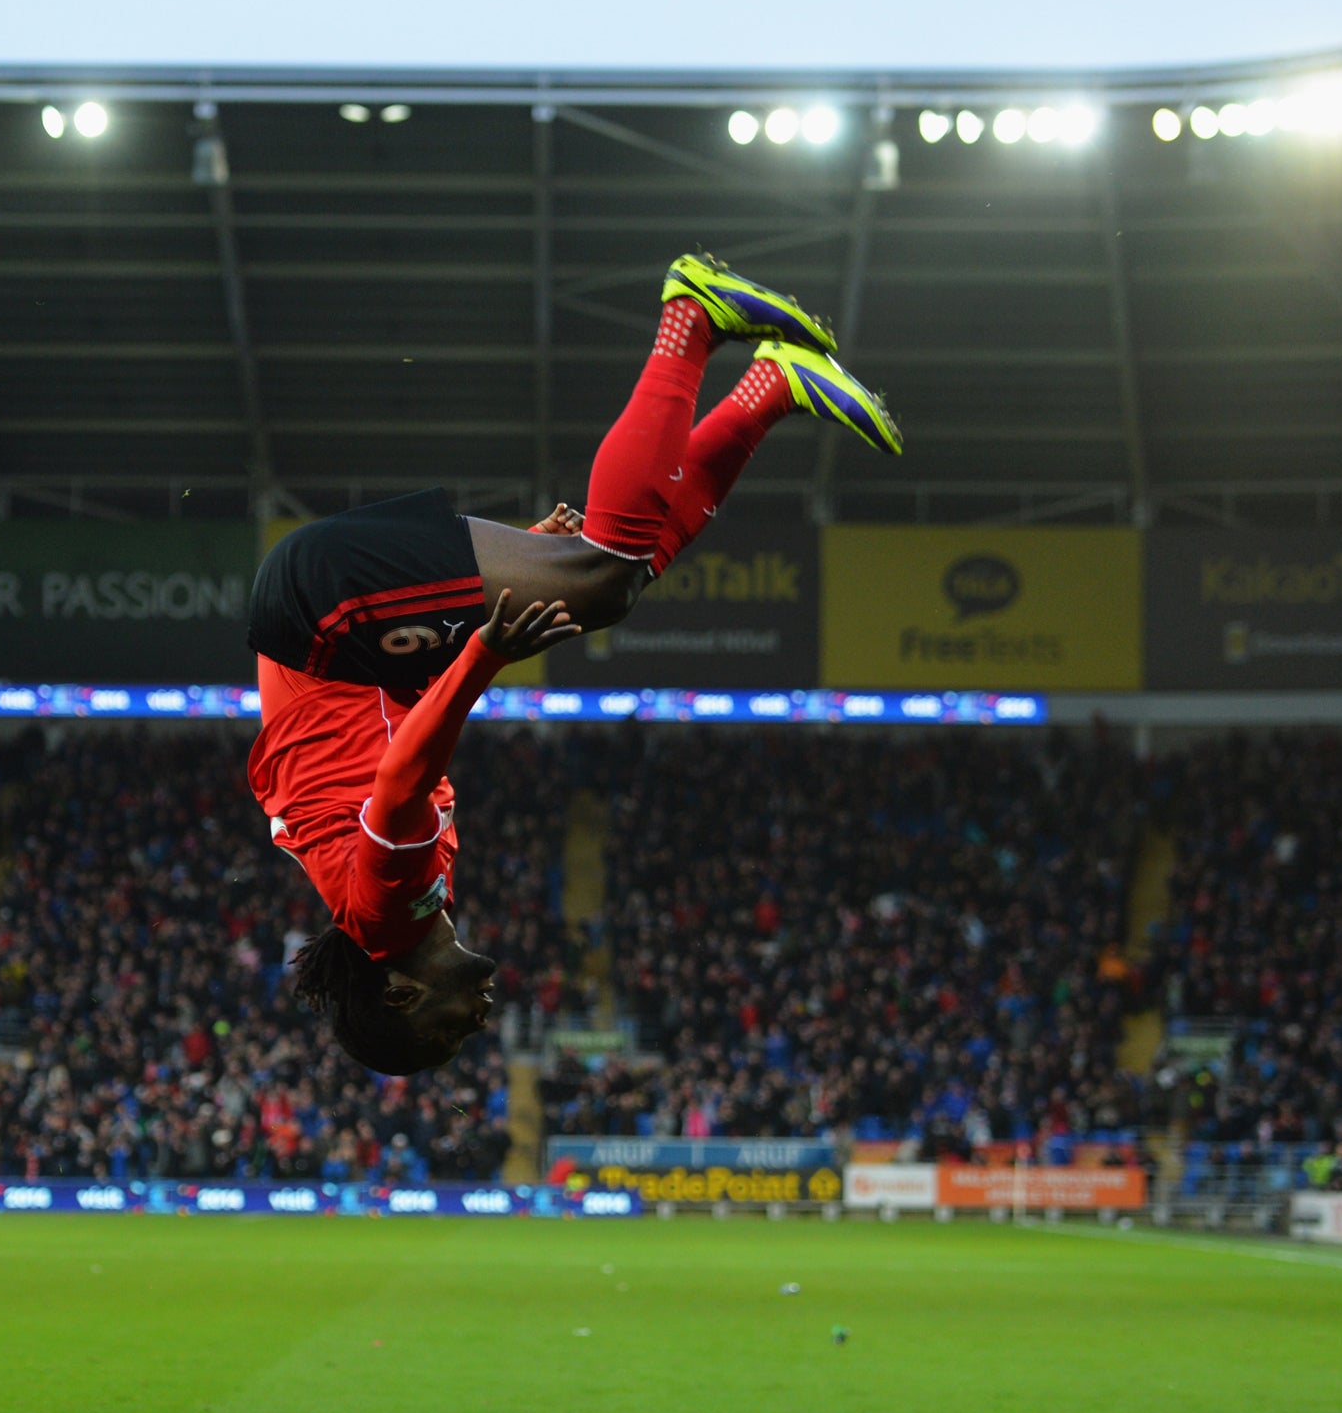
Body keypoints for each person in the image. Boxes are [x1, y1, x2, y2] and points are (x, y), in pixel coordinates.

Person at [247, 252, 900, 1074]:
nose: (477, 1025)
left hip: (324, 611)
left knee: (598, 578)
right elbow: (356, 727)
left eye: (450, 1033)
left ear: (403, 994)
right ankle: (772, 389)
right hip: (346, 632)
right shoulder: (397, 899)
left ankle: (691, 315)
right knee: (613, 578)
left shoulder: (384, 913)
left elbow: (400, 778)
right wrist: (472, 606)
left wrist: (482, 651)